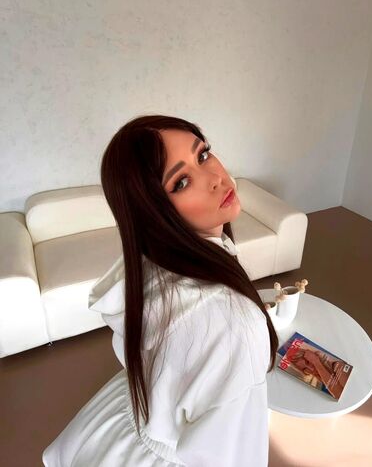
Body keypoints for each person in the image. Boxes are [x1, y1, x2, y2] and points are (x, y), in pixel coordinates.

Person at [42, 114, 278, 466]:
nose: (215, 177)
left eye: (203, 154)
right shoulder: (234, 325)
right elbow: (228, 453)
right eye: (181, 182)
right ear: (153, 212)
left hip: (127, 424)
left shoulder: (147, 263)